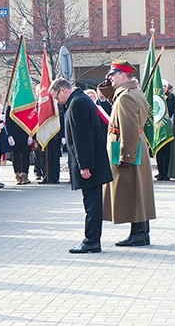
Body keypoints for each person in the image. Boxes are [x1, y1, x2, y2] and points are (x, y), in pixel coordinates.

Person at [50, 78, 112, 254]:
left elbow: (82, 137)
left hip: (88, 164)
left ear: (63, 90)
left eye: (56, 97)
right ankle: (92, 239)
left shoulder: (76, 103)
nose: (57, 101)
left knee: (92, 204)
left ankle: (91, 240)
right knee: (91, 202)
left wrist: (84, 165)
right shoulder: (79, 99)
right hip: (92, 162)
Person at [98, 60, 156, 247]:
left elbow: (129, 128)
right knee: (138, 191)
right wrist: (108, 86)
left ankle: (138, 233)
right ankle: (141, 232)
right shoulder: (133, 92)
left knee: (132, 192)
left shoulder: (126, 97)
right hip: (134, 146)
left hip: (128, 146)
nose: (110, 78)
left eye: (113, 75)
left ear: (123, 76)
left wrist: (126, 156)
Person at [155, 79, 175, 181]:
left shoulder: (172, 98)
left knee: (167, 152)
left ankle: (167, 173)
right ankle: (160, 172)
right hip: (158, 128)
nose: (163, 88)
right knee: (159, 152)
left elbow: (174, 111)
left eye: (165, 86)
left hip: (168, 127)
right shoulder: (155, 97)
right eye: (162, 86)